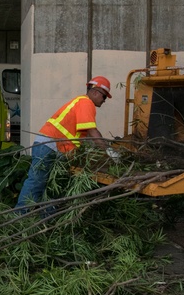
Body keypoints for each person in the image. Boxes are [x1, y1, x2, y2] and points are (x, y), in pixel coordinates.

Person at [15, 76, 113, 213]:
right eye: (104, 97)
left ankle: (45, 219)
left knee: (51, 185)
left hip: (51, 147)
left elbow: (86, 135)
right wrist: (110, 152)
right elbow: (93, 132)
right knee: (37, 182)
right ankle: (19, 217)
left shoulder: (81, 103)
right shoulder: (86, 103)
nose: (104, 101)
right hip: (50, 146)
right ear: (96, 92)